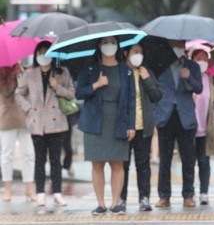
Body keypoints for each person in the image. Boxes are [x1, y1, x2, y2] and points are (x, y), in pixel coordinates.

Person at [76, 36, 136, 215]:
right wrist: (96, 85)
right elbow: (79, 93)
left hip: (118, 119)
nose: (109, 46)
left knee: (117, 163)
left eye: (112, 42)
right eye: (105, 42)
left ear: (118, 46)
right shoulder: (89, 68)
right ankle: (100, 203)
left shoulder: (126, 70)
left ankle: (116, 202)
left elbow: (132, 100)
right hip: (95, 119)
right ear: (99, 46)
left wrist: (131, 124)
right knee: (97, 164)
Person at [16, 41, 75, 207]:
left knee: (56, 160)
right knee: (39, 160)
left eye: (46, 52)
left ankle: (57, 193)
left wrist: (58, 87)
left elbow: (71, 94)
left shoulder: (62, 73)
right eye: (40, 52)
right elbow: (19, 93)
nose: (43, 56)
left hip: (57, 123)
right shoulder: (30, 73)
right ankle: (40, 193)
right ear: (36, 55)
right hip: (37, 123)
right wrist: (28, 109)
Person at [154, 40, 202, 208]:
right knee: (165, 159)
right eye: (174, 44)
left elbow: (199, 88)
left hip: (185, 117)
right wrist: (156, 112)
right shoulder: (159, 65)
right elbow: (154, 90)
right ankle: (164, 195)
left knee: (188, 159)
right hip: (165, 116)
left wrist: (189, 77)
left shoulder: (193, 66)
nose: (177, 48)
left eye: (180, 44)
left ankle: (188, 195)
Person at [119, 44, 162, 211]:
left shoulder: (145, 71)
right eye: (135, 52)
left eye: (141, 52)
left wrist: (147, 79)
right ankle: (120, 198)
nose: (139, 55)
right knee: (123, 164)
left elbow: (157, 95)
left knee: (143, 164)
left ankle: (144, 198)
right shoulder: (120, 71)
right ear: (126, 53)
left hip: (143, 126)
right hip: (124, 127)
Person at [191, 48, 214, 205]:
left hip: (206, 129)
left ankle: (204, 192)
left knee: (204, 162)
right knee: (189, 162)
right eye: (199, 58)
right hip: (190, 129)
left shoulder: (212, 79)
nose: (202, 62)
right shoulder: (189, 78)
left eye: (205, 58)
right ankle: (189, 192)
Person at [0, 64, 36, 202]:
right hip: (7, 117)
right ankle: (8, 188)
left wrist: (24, 74)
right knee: (7, 154)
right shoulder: (2, 72)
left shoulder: (25, 70)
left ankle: (29, 188)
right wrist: (14, 79)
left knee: (28, 154)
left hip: (26, 117)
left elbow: (32, 91)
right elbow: (5, 92)